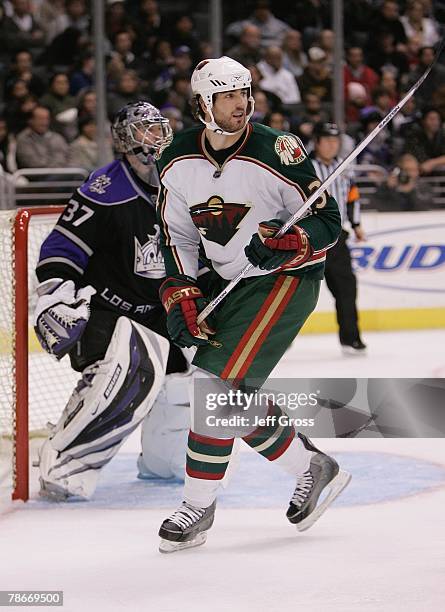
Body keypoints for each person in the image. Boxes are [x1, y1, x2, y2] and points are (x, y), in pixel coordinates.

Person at [155, 56, 350, 553]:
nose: (240, 104)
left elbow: (329, 226)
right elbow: (177, 234)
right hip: (230, 282)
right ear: (203, 105)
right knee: (226, 396)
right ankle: (310, 467)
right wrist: (181, 290)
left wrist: (290, 242)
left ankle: (197, 503)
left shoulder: (277, 150)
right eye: (226, 96)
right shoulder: (176, 159)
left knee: (212, 386)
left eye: (244, 93)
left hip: (286, 278)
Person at [33, 101, 192, 500]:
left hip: (158, 313)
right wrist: (54, 296)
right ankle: (64, 465)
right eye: (145, 130)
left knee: (184, 380)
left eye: (159, 129)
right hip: (104, 311)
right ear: (125, 139)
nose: (155, 137)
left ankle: (163, 463)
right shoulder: (106, 188)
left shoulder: (181, 188)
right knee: (132, 367)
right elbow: (62, 246)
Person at [311, 122, 367, 354]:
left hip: (337, 238)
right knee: (293, 292)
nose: (332, 145)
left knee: (347, 289)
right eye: (327, 140)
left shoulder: (343, 169)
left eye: (336, 141)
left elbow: (351, 196)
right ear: (317, 142)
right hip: (309, 238)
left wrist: (356, 224)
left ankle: (350, 338)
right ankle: (276, 339)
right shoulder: (305, 168)